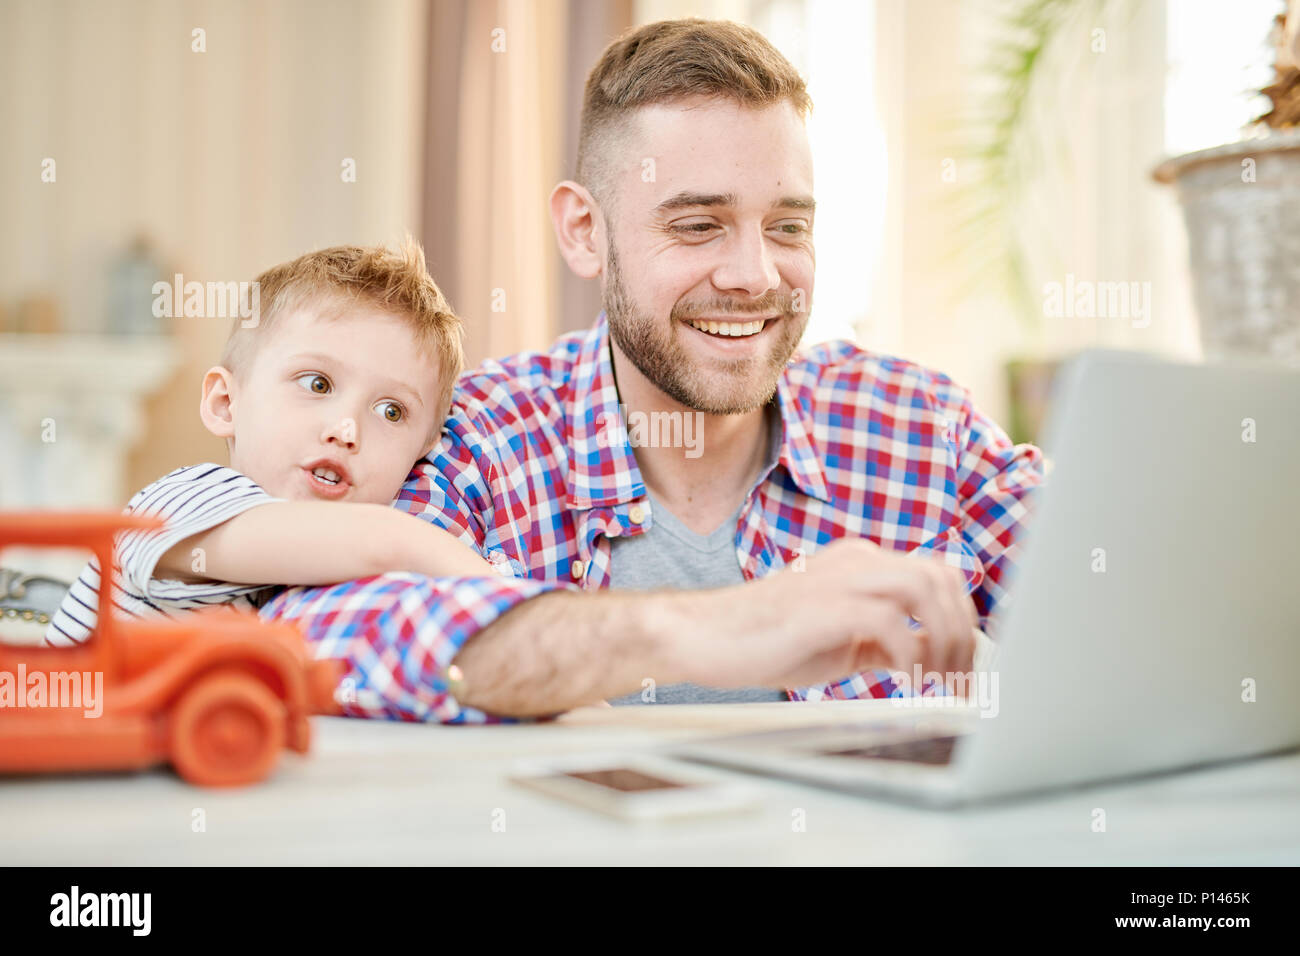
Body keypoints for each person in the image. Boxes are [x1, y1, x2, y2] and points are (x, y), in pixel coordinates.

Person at [260, 18, 1046, 723]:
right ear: (584, 231)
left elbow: (1130, 598)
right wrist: (726, 627)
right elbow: (318, 637)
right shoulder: (480, 439)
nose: (756, 275)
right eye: (699, 225)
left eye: (787, 226)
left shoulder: (920, 428)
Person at [45, 240, 496, 647]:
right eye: (317, 383)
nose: (346, 429)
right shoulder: (179, 503)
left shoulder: (327, 587)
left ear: (422, 451)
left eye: (391, 411)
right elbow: (384, 540)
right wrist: (504, 597)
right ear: (225, 403)